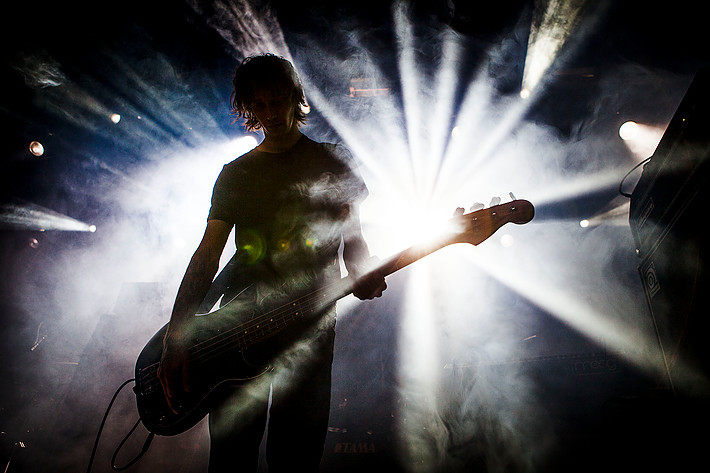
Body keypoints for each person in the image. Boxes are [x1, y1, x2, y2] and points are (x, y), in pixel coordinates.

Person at [157, 53, 386, 472]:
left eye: (278, 100)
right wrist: (177, 336)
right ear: (247, 108)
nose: (270, 112)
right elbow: (208, 254)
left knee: (296, 460)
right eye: (258, 104)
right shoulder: (235, 174)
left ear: (295, 97)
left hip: (310, 330)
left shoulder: (334, 160)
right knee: (230, 461)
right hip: (238, 329)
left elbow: (353, 239)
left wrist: (364, 272)